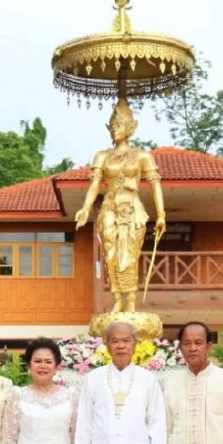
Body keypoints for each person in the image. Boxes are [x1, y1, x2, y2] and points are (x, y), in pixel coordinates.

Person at [72, 98, 166, 314]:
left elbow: (154, 184)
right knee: (111, 254)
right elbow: (95, 184)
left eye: (120, 126)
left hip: (132, 209)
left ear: (131, 128)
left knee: (129, 256)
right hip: (110, 208)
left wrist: (161, 214)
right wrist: (86, 208)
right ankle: (116, 298)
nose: (116, 130)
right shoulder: (102, 156)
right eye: (113, 126)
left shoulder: (142, 156)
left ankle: (130, 300)